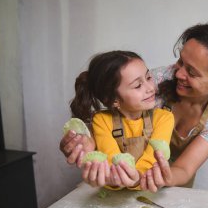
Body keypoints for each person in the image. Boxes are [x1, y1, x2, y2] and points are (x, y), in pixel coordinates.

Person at [60, 22, 208, 192]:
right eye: (180, 61)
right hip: (117, 183)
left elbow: (184, 168)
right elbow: (112, 116)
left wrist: (155, 176)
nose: (179, 73)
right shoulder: (154, 81)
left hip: (169, 187)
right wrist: (84, 141)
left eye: (191, 72)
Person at [67, 50, 174, 189]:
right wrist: (114, 178)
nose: (150, 88)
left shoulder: (164, 118)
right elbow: (111, 161)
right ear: (114, 100)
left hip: (150, 189)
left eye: (148, 77)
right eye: (137, 85)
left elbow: (151, 161)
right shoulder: (102, 120)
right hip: (114, 194)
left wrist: (137, 179)